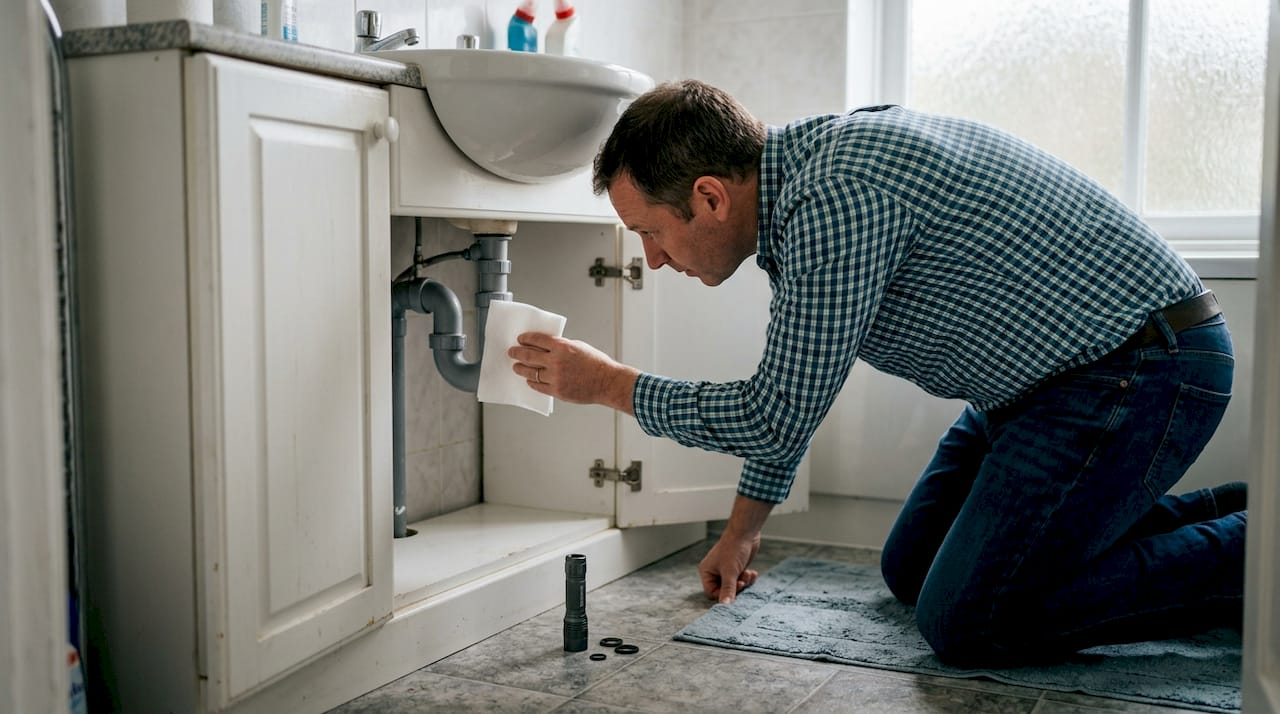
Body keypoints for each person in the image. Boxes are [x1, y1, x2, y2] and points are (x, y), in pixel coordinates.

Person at [506, 79, 1246, 666]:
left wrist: (608, 384)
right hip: (1040, 389)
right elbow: (797, 389)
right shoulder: (806, 189)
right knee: (912, 568)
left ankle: (1249, 554)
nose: (654, 260)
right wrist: (741, 534)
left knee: (970, 620)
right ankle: (1240, 512)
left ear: (708, 196)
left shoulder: (836, 198)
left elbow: (774, 413)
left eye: (649, 233)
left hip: (1140, 370)